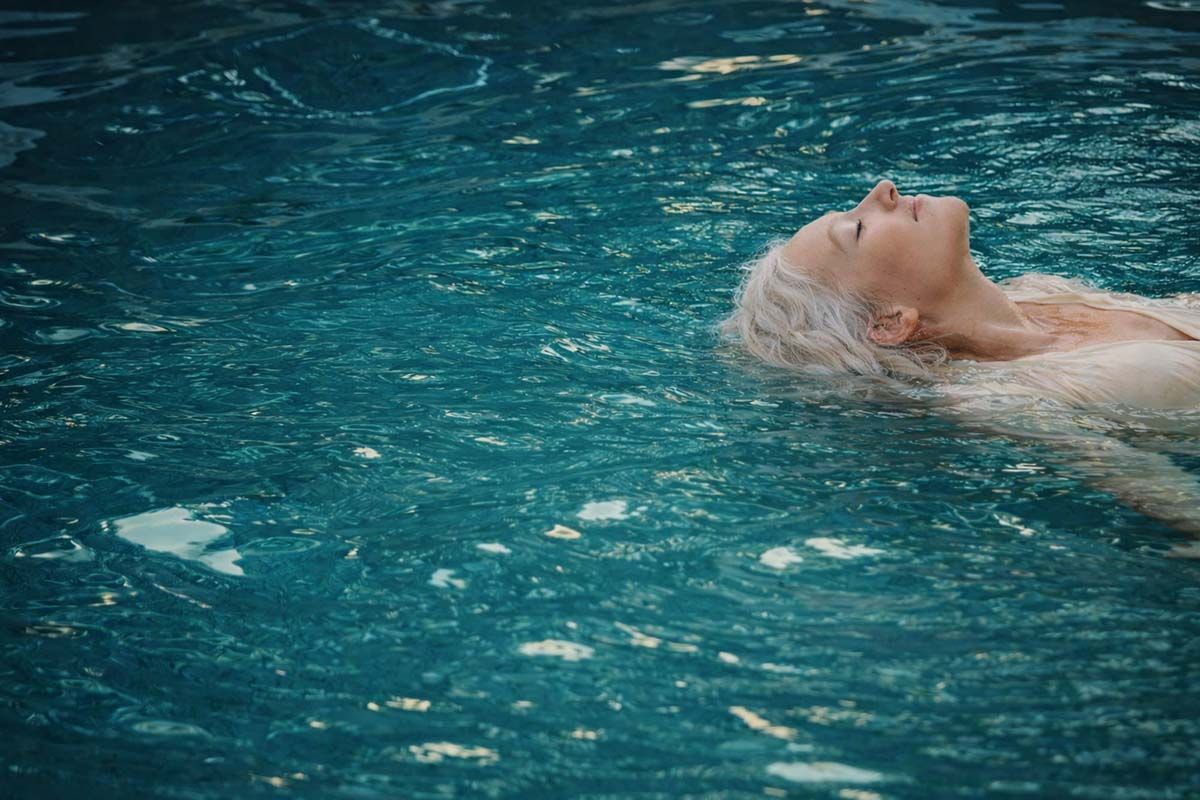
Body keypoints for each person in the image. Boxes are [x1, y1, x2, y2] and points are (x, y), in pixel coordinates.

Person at [719, 179, 1200, 549]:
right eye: (858, 229)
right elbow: (1149, 486)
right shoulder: (995, 398)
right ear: (890, 323)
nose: (882, 189)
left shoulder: (1040, 291)